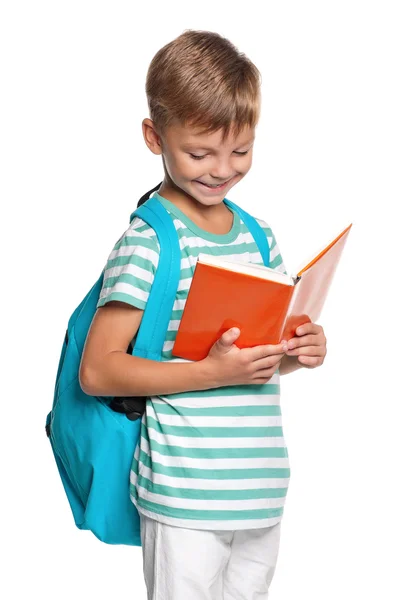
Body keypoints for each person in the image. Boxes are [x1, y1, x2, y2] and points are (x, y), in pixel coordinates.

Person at [80, 29, 327, 600]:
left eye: (240, 151)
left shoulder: (260, 237)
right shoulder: (148, 242)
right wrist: (209, 372)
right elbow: (98, 372)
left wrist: (299, 351)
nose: (222, 169)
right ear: (154, 136)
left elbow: (254, 362)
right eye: (200, 152)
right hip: (184, 492)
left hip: (260, 488)